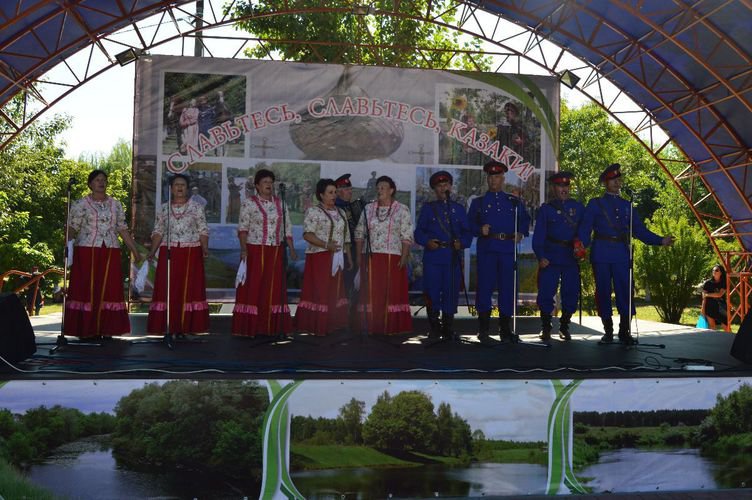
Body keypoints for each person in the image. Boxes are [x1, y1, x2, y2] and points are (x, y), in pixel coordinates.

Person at [578, 163, 674, 344]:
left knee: (625, 292)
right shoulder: (595, 204)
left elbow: (639, 230)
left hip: (622, 254)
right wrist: (580, 245)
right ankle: (607, 332)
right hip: (601, 253)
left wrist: (660, 240)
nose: (617, 183)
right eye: (613, 180)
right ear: (605, 183)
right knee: (603, 292)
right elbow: (585, 229)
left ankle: (625, 331)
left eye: (618, 179)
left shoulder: (627, 205)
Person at [64, 169, 141, 338]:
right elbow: (72, 227)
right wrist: (68, 247)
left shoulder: (116, 204)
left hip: (110, 250)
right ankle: (86, 329)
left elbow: (122, 228)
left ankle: (107, 328)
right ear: (90, 183)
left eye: (104, 180)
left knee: (109, 288)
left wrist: (134, 249)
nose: (101, 182)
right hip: (87, 250)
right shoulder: (81, 204)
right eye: (97, 180)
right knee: (87, 288)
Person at [468, 160, 530, 341]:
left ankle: (505, 329)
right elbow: (469, 224)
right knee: (484, 288)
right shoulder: (478, 203)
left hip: (507, 249)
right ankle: (484, 329)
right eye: (490, 176)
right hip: (487, 248)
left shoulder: (513, 201)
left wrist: (521, 232)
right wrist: (480, 229)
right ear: (487, 179)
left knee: (507, 289)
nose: (493, 179)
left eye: (497, 176)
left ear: (503, 178)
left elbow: (525, 220)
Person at [233, 169, 297, 337]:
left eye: (271, 182)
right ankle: (250, 327)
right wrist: (244, 249)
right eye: (265, 182)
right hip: (254, 249)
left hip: (275, 250)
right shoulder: (249, 203)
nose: (269, 185)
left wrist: (291, 248)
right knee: (254, 287)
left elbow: (287, 227)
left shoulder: (280, 203)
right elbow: (243, 228)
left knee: (273, 287)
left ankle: (271, 326)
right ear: (257, 186)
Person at [145, 173, 209, 336]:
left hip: (191, 252)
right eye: (176, 185)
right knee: (169, 288)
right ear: (171, 189)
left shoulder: (196, 207)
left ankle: (186, 327)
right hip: (169, 252)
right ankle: (168, 327)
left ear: (187, 189)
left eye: (183, 185)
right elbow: (158, 231)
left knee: (189, 289)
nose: (180, 187)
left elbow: (203, 230)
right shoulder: (164, 208)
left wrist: (204, 248)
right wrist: (152, 251)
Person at [414, 171, 472, 339]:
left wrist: (461, 243)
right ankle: (434, 327)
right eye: (439, 186)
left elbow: (467, 233)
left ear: (451, 187)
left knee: (450, 291)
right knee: (432, 291)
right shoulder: (428, 208)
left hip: (452, 257)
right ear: (435, 189)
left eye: (445, 185)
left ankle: (447, 327)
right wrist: (426, 241)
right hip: (433, 257)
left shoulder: (459, 209)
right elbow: (418, 232)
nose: (443, 188)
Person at [354, 175, 413, 335]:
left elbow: (406, 235)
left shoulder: (402, 209)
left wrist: (404, 256)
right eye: (378, 188)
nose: (379, 190)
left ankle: (391, 326)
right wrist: (359, 256)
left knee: (391, 291)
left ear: (391, 190)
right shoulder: (368, 209)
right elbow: (359, 233)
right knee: (372, 291)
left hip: (392, 257)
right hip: (371, 257)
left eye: (383, 188)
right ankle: (372, 326)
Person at [532, 172, 585, 343]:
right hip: (551, 256)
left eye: (566, 186)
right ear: (554, 188)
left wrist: (582, 246)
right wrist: (541, 256)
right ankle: (546, 327)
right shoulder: (546, 209)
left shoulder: (578, 208)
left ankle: (564, 326)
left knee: (571, 292)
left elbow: (584, 232)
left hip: (570, 256)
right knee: (546, 292)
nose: (564, 189)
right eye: (560, 186)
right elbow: (539, 236)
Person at [295, 179, 353, 335]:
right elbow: (308, 235)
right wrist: (327, 245)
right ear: (321, 195)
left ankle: (333, 323)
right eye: (330, 192)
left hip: (338, 256)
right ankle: (318, 325)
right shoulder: (314, 211)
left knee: (335, 289)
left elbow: (346, 237)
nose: (334, 195)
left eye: (335, 192)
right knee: (321, 290)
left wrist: (349, 258)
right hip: (320, 257)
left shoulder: (340, 212)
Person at [334, 173, 363, 326]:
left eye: (350, 188)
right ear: (338, 191)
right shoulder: (335, 208)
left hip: (354, 250)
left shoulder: (353, 206)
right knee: (342, 283)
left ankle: (350, 314)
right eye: (346, 189)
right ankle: (340, 315)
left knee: (352, 283)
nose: (350, 192)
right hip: (341, 251)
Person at [701, 265, 728, 330]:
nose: (714, 272)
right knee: (712, 327)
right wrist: (703, 309)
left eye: (716, 270)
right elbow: (704, 297)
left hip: (721, 308)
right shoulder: (707, 283)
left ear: (721, 272)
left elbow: (719, 294)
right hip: (709, 307)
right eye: (713, 270)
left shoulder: (724, 282)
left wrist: (707, 294)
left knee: (726, 326)